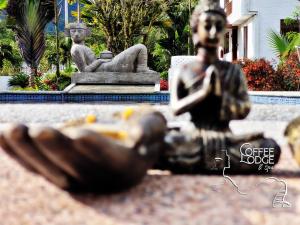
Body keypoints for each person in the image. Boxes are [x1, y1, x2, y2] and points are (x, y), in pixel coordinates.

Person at [156, 0, 281, 174]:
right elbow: (176, 108)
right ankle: (218, 161)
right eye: (207, 26)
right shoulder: (184, 70)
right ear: (196, 30)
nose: (213, 32)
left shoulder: (233, 70)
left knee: (269, 148)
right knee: (162, 144)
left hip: (227, 138)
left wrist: (222, 97)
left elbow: (244, 108)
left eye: (219, 27)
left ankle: (199, 162)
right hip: (193, 137)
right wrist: (203, 93)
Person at [65, 23, 152, 73]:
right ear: (69, 33)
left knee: (140, 49)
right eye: (73, 31)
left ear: (86, 33)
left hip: (107, 65)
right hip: (106, 67)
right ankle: (142, 70)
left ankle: (141, 69)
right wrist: (100, 60)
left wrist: (100, 59)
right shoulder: (76, 49)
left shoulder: (81, 47)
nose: (76, 34)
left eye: (80, 31)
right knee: (141, 47)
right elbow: (85, 71)